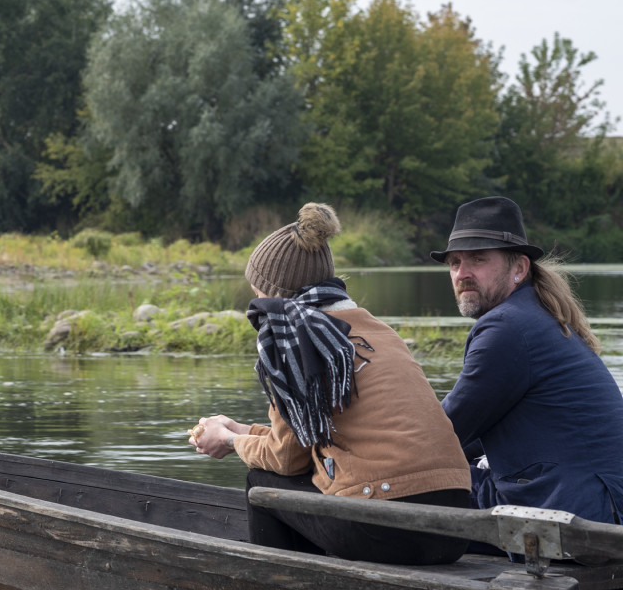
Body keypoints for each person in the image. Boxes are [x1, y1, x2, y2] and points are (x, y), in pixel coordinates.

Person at [190, 202, 472, 565]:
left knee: (261, 482)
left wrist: (229, 440)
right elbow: (308, 442)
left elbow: (284, 460)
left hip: (387, 525)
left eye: (257, 291)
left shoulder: (296, 336)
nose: (256, 301)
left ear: (274, 294)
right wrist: (244, 430)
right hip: (456, 525)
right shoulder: (378, 330)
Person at [432, 196, 623, 524]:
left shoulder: (507, 327)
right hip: (601, 509)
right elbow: (472, 430)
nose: (462, 274)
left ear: (519, 268)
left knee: (409, 489)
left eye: (478, 259)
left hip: (573, 517)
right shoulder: (537, 315)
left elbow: (441, 432)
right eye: (454, 263)